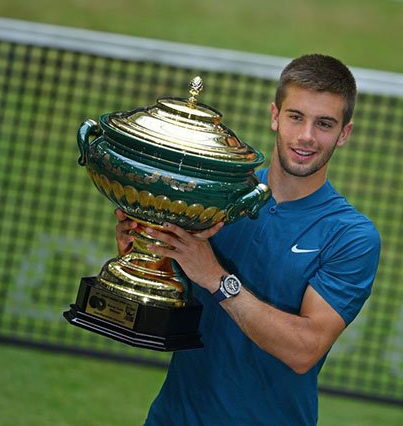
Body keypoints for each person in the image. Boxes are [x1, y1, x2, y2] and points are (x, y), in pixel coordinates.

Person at [115, 54, 381, 426]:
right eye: (295, 117)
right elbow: (165, 313)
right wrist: (144, 248)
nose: (306, 136)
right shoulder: (215, 198)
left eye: (324, 124)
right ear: (275, 116)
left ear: (344, 134)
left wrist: (216, 278)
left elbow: (304, 350)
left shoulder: (351, 236)